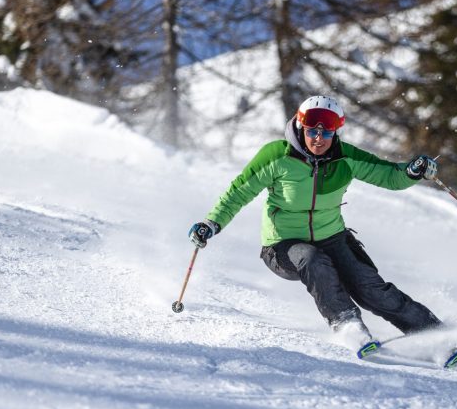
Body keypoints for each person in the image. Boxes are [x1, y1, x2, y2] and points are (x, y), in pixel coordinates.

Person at [188, 95, 442, 349]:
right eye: (312, 131)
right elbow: (239, 192)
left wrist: (411, 172)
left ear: (335, 133)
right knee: (312, 260)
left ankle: (431, 331)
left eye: (327, 133)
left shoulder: (345, 157)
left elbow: (389, 176)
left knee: (370, 289)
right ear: (301, 126)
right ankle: (347, 324)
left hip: (333, 238)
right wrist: (211, 223)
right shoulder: (277, 155)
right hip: (283, 246)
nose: (319, 139)